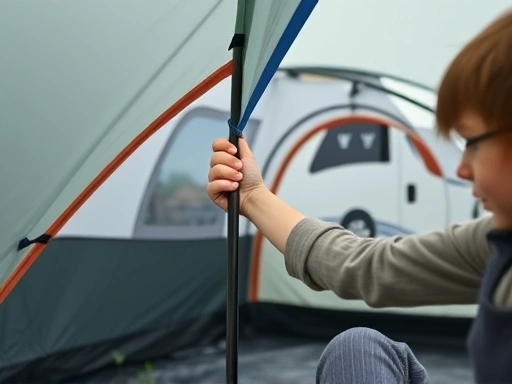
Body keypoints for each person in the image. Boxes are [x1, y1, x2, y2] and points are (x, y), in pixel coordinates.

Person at [206, 8, 512, 384]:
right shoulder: (494, 246)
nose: (462, 169)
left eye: (472, 142)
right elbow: (366, 265)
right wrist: (252, 197)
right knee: (358, 348)